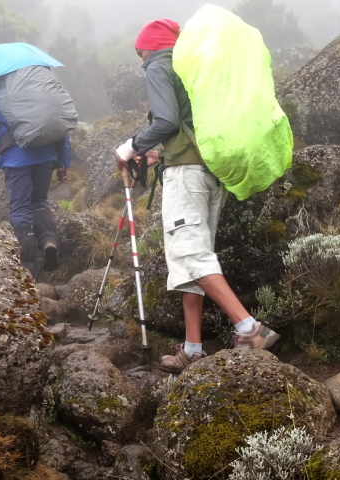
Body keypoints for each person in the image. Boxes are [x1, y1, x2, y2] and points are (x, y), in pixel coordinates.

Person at [114, 19, 280, 374]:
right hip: (209, 172)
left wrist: (128, 148)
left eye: (140, 52)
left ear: (150, 46)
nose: (141, 60)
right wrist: (161, 155)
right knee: (196, 258)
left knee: (191, 253)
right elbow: (188, 124)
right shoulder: (191, 66)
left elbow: (167, 122)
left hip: (187, 178)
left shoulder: (160, 64)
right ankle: (192, 348)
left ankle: (250, 330)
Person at [0, 80, 71, 276]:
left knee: (20, 208)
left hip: (15, 157)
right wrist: (64, 161)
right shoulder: (37, 84)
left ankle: (28, 268)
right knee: (39, 201)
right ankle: (48, 240)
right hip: (45, 153)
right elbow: (58, 123)